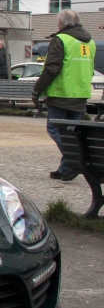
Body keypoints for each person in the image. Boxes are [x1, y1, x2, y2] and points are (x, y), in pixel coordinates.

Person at [32, 9, 95, 181]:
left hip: (61, 93)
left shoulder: (61, 40)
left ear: (61, 23)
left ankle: (75, 161)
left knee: (55, 128)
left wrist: (37, 88)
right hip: (80, 93)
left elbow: (51, 68)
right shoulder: (90, 42)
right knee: (73, 132)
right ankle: (66, 169)